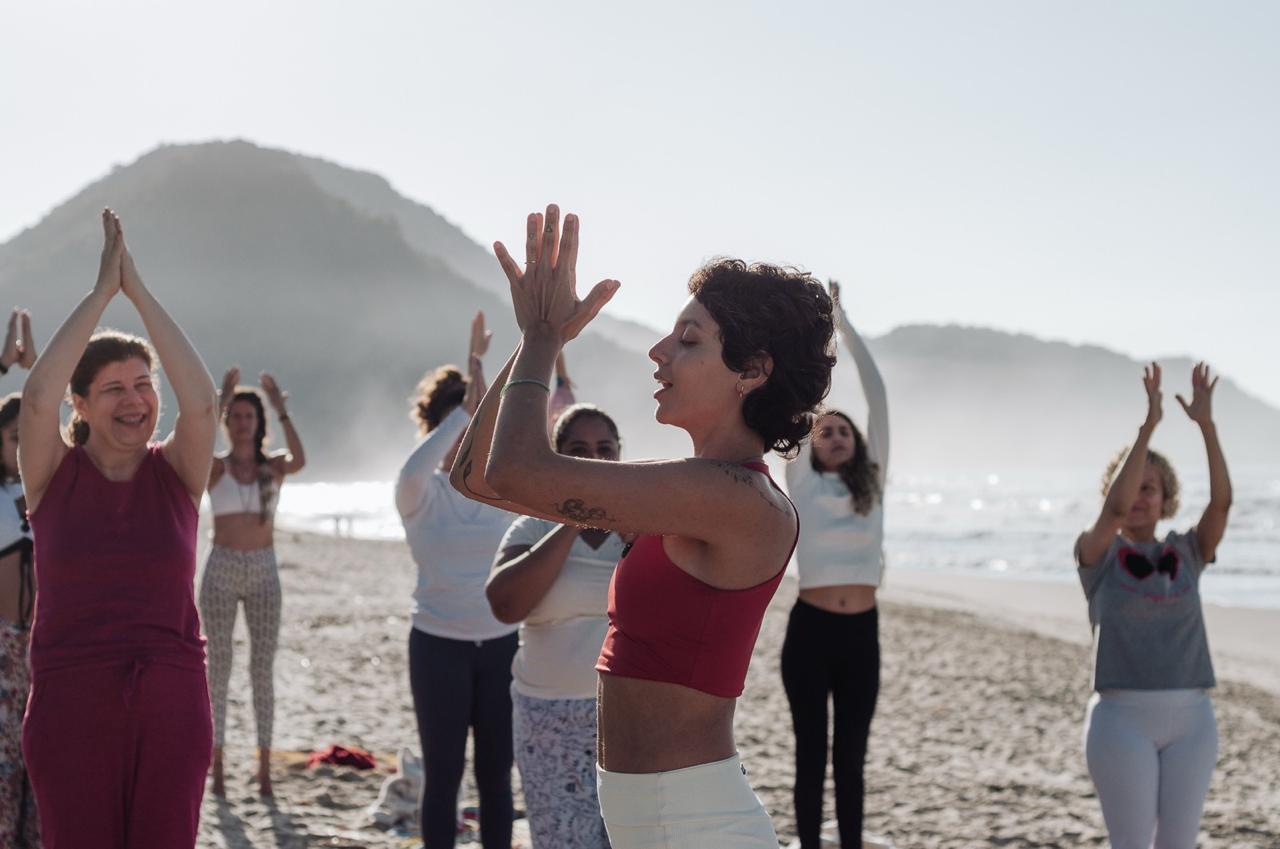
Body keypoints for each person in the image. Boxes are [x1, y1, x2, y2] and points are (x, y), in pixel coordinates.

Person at [451, 205, 835, 847]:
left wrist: (545, 338)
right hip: (651, 819)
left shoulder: (737, 498)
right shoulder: (686, 490)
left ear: (752, 370)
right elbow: (478, 478)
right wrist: (535, 341)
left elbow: (512, 471)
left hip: (696, 823)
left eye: (689, 340)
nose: (658, 352)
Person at [19, 209, 217, 848]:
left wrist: (139, 293)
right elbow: (35, 399)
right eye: (112, 389)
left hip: (171, 700)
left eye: (142, 384)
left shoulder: (177, 473)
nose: (134, 400)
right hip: (70, 701)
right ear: (79, 403)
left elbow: (202, 403)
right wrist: (102, 293)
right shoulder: (52, 475)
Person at [1076, 362, 1231, 849]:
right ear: (1115, 488)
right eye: (1133, 485)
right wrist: (1149, 426)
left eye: (1151, 488)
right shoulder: (1097, 553)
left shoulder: (1188, 550)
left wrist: (1206, 426)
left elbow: (1222, 505)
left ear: (1166, 499)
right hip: (1121, 719)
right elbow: (1115, 511)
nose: (1140, 498)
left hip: (1193, 719)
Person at [396, 311, 518, 849]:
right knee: (442, 777)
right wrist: (464, 409)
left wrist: (481, 406)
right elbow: (411, 469)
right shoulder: (420, 493)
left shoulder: (502, 490)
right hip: (437, 646)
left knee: (495, 778)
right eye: (454, 426)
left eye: (471, 425)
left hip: (501, 646)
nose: (463, 435)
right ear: (438, 428)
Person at [487, 403, 626, 849]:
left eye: (605, 449)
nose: (594, 459)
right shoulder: (531, 527)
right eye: (578, 450)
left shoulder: (644, 529)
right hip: (548, 717)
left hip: (631, 716)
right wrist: (572, 518)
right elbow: (504, 605)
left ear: (619, 455)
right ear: (557, 456)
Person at [781, 279, 888, 849]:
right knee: (810, 755)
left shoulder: (873, 484)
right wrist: (817, 336)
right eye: (827, 430)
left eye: (846, 430)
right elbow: (800, 407)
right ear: (811, 442)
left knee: (851, 757)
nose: (838, 435)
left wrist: (844, 323)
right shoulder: (802, 482)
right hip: (811, 633)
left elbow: (878, 397)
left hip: (861, 634)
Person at [201, 368, 306, 798]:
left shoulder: (272, 467)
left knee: (261, 671)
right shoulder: (216, 468)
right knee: (218, 669)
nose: (243, 423)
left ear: (259, 422)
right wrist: (217, 403)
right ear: (227, 422)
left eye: (250, 416)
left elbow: (300, 460)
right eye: (236, 416)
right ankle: (218, 765)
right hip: (222, 568)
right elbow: (192, 448)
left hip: (264, 569)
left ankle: (263, 768)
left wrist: (281, 410)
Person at [0, 308, 40, 848]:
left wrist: (36, 374)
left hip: (47, 645)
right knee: (6, 770)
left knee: (42, 765)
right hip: (5, 644)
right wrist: (5, 364)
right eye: (12, 436)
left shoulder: (46, 489)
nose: (22, 445)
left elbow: (70, 424)